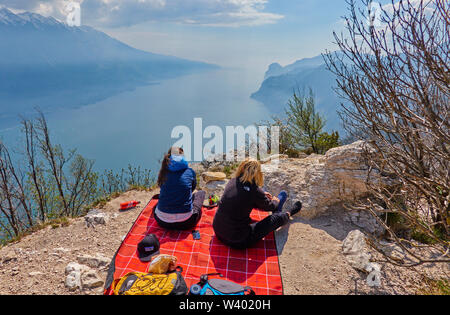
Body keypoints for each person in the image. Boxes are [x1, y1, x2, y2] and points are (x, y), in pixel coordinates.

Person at [213, 158, 302, 249]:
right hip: (238, 240)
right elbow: (270, 206)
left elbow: (244, 197)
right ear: (257, 173)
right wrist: (276, 200)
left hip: (218, 232)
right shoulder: (254, 191)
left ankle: (278, 211)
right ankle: (288, 213)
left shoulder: (232, 181)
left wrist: (261, 194)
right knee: (275, 218)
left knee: (246, 207)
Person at [155, 147, 206, 230]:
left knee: (157, 204)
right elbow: (192, 189)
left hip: (162, 222)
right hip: (186, 222)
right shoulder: (190, 171)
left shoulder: (163, 172)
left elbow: (161, 187)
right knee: (200, 193)